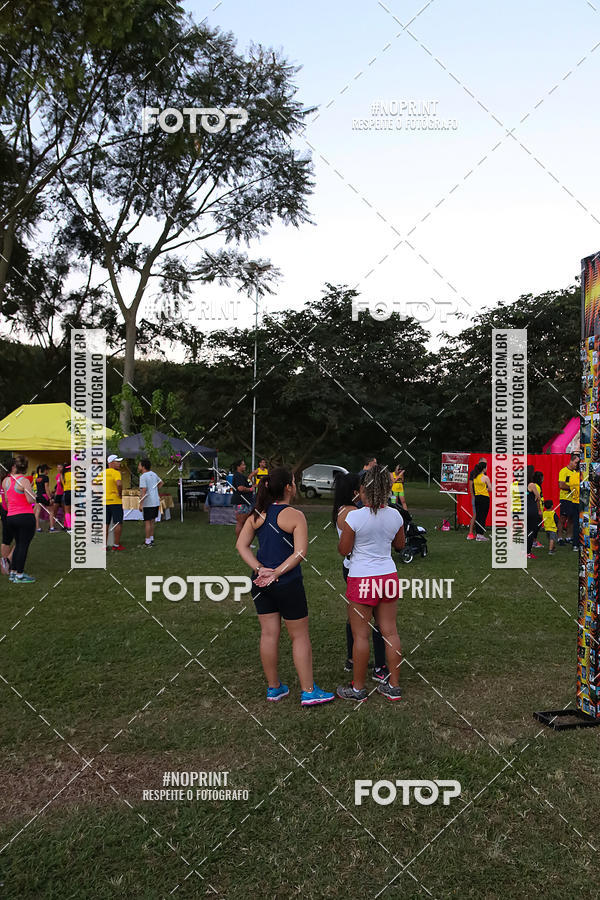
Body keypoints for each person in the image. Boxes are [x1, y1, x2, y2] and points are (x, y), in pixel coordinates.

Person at [236, 467, 335, 706]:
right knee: (299, 636)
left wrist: (260, 570)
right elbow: (300, 553)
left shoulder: (258, 514)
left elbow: (241, 546)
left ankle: (274, 688)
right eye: (293, 481)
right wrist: (274, 572)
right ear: (289, 487)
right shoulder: (295, 515)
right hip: (287, 583)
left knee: (269, 634)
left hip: (260, 584)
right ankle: (309, 691)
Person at [337, 464, 405, 702]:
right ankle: (393, 686)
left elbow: (344, 550)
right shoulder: (396, 515)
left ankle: (358, 689)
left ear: (363, 490)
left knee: (361, 636)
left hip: (361, 577)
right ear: (387, 488)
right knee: (391, 632)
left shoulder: (354, 516)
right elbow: (399, 545)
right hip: (387, 575)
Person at [332, 472, 388, 681]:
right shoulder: (353, 513)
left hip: (354, 568)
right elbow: (348, 547)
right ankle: (379, 666)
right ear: (356, 492)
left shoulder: (345, 510)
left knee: (355, 617)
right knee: (375, 620)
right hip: (363, 569)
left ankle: (353, 659)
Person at [3, 455, 36, 583]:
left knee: (18, 544)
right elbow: (30, 499)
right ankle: (20, 574)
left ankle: (13, 572)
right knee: (23, 545)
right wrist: (34, 496)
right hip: (25, 516)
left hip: (11, 516)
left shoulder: (6, 481)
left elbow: (6, 499)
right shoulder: (24, 480)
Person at [96, 455, 124, 550]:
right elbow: (119, 484)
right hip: (116, 501)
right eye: (117, 461)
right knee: (117, 523)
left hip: (105, 502)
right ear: (111, 463)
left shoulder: (103, 473)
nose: (119, 463)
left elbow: (93, 483)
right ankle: (116, 545)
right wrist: (120, 493)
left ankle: (104, 546)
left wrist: (99, 494)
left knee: (105, 524)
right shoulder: (116, 473)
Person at [138, 458, 163, 547]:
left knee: (147, 522)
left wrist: (141, 504)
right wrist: (154, 490)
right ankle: (151, 539)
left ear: (143, 467)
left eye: (139, 465)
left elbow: (143, 490)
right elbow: (161, 483)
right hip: (155, 501)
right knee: (152, 521)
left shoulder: (143, 476)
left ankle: (147, 541)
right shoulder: (154, 474)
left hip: (148, 503)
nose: (138, 467)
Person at [558, 453, 580, 548]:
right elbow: (561, 485)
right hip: (565, 498)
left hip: (574, 499)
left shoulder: (576, 473)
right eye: (575, 462)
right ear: (571, 461)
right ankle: (559, 538)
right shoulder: (564, 471)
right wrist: (572, 487)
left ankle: (568, 537)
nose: (576, 464)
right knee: (563, 518)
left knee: (571, 519)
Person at [467, 460, 491, 542]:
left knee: (478, 516)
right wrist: (487, 488)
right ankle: (480, 535)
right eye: (486, 467)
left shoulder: (475, 477)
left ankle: (478, 534)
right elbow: (490, 489)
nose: (487, 469)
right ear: (483, 469)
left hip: (477, 497)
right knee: (483, 516)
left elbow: (472, 486)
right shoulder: (485, 477)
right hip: (484, 498)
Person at [232, 459, 255, 538]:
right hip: (240, 501)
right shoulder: (238, 476)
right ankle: (240, 542)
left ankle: (244, 541)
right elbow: (240, 488)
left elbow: (248, 482)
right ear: (238, 466)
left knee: (244, 522)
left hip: (244, 501)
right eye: (243, 465)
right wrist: (251, 489)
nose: (245, 466)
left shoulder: (241, 475)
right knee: (240, 522)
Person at [0, 460, 16, 575]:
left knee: (7, 539)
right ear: (13, 467)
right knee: (22, 538)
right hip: (11, 511)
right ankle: (8, 560)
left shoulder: (4, 478)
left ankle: (5, 563)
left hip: (5, 511)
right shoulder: (10, 479)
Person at [526, 465, 543, 559]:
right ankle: (528, 552)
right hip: (532, 510)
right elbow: (538, 497)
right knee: (530, 532)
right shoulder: (532, 485)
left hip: (524, 509)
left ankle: (523, 550)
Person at [34, 464, 52, 533]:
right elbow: (46, 489)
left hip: (38, 495)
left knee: (37, 512)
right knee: (51, 511)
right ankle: (52, 527)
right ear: (45, 470)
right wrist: (50, 498)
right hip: (44, 495)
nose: (48, 471)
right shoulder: (46, 477)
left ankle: (37, 528)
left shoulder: (37, 478)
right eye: (48, 470)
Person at [52, 464, 65, 530]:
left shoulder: (64, 475)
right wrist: (55, 494)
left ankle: (65, 525)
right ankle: (52, 526)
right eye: (58, 467)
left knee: (65, 511)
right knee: (54, 511)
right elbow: (57, 486)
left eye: (60, 467)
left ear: (63, 468)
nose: (59, 468)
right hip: (58, 495)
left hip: (63, 494)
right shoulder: (57, 476)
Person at [63, 463, 72, 531]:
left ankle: (69, 526)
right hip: (74, 492)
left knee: (67, 511)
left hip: (67, 493)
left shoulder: (62, 475)